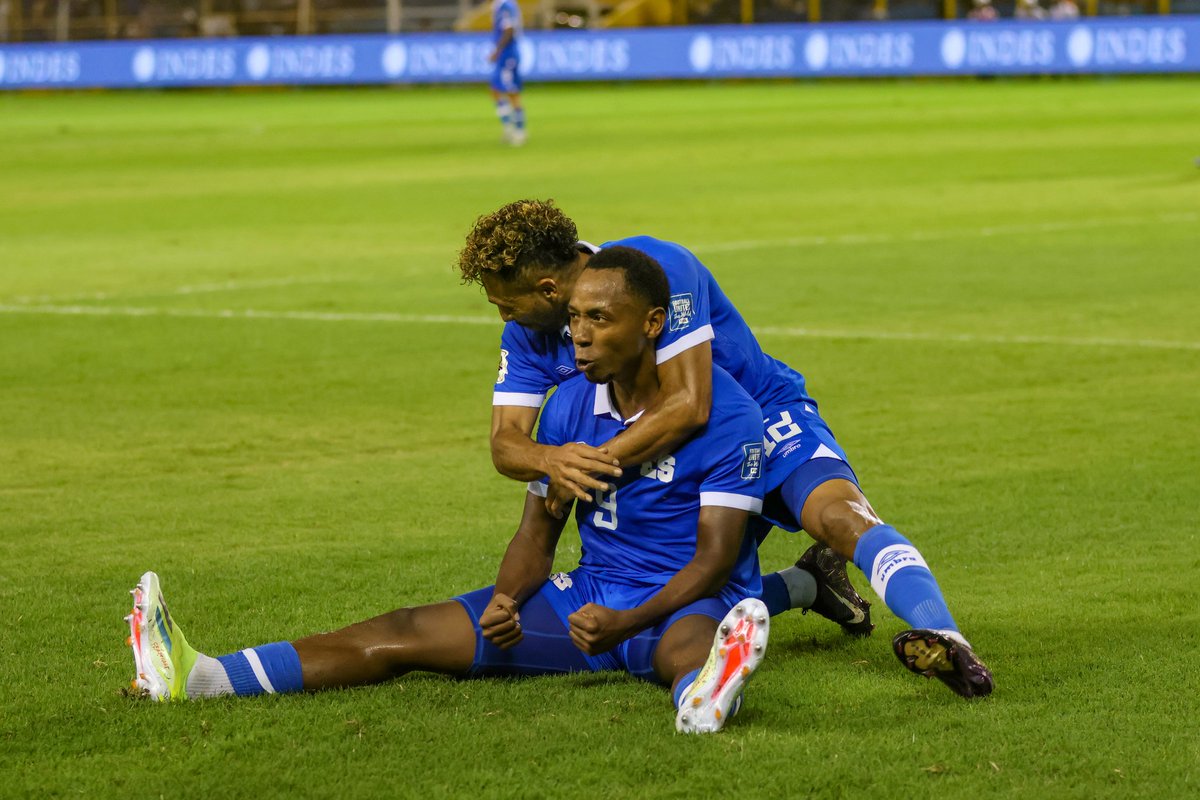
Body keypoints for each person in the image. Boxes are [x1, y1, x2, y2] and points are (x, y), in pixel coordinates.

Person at [127, 248, 771, 734]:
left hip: (684, 601)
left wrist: (628, 622)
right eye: (575, 318)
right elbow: (535, 536)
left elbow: (714, 563)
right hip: (588, 599)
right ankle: (200, 676)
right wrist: (507, 599)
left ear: (653, 323)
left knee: (690, 645)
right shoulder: (569, 407)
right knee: (404, 631)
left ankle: (702, 697)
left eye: (600, 319)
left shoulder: (730, 416)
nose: (579, 335)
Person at [456, 199, 994, 699]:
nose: (505, 318)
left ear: (549, 289)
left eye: (508, 304)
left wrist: (590, 466)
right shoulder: (527, 335)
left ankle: (946, 636)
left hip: (760, 415)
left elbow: (690, 404)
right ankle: (808, 584)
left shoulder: (657, 268)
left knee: (838, 516)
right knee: (690, 578)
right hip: (669, 454)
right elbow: (506, 444)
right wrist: (551, 461)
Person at [488, 0, 526, 146]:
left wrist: (497, 51)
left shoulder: (506, 6)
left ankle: (519, 131)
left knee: (512, 93)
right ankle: (509, 126)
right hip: (505, 55)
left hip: (508, 55)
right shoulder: (500, 5)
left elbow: (509, 29)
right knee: (495, 90)